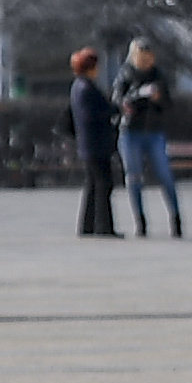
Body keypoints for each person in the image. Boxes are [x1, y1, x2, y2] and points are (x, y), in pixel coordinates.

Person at [117, 36, 184, 238]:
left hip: (154, 131)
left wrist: (158, 99)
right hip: (131, 131)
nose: (146, 62)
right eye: (142, 58)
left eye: (149, 58)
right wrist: (135, 96)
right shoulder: (125, 74)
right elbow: (118, 100)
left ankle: (175, 218)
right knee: (134, 176)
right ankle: (140, 221)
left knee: (165, 175)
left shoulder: (158, 75)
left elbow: (168, 105)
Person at [69, 46, 121, 239]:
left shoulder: (78, 86)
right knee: (104, 184)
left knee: (92, 185)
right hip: (96, 144)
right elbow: (94, 113)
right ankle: (104, 226)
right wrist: (113, 109)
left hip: (88, 144)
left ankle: (87, 225)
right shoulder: (86, 89)